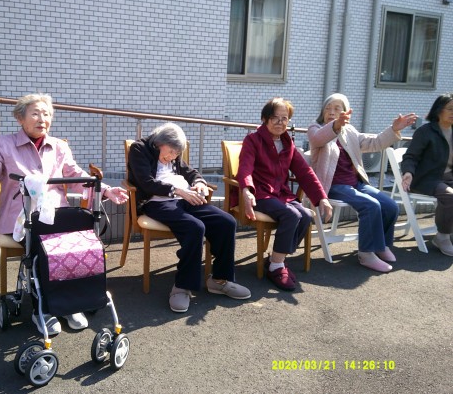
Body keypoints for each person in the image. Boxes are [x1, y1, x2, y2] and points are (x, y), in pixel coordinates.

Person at [0, 94, 128, 334]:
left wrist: (107, 190)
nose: (42, 119)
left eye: (47, 114)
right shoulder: (4, 144)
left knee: (80, 242)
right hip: (22, 217)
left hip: (57, 214)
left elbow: (75, 174)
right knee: (46, 247)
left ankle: (70, 303)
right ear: (20, 118)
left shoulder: (59, 146)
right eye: (36, 113)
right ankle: (44, 310)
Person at [128, 122, 251, 313]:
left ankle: (219, 280)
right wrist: (178, 191)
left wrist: (199, 182)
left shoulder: (174, 155)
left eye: (177, 154)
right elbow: (146, 183)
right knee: (195, 227)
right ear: (159, 142)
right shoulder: (139, 149)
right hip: (156, 202)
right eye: (170, 152)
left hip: (184, 197)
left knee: (226, 222)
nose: (172, 157)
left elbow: (190, 171)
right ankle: (182, 286)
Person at [307, 93, 417, 272]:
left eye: (337, 108)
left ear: (345, 112)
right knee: (371, 206)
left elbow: (374, 143)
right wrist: (335, 126)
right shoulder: (316, 128)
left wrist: (394, 129)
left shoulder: (350, 131)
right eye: (328, 108)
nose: (331, 112)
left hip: (355, 183)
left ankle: (381, 246)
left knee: (390, 206)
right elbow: (317, 139)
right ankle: (366, 254)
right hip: (331, 185)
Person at [236, 97, 332, 291]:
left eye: (284, 118)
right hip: (261, 194)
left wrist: (322, 198)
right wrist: (246, 190)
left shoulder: (288, 143)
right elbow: (245, 168)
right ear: (265, 119)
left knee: (305, 215)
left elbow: (305, 172)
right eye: (275, 118)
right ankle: (277, 266)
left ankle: (276, 260)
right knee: (292, 215)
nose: (280, 123)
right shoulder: (253, 140)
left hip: (281, 194)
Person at [401, 93, 453, 256]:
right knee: (450, 196)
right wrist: (408, 172)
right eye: (450, 109)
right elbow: (411, 156)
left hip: (449, 178)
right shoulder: (425, 131)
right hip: (428, 179)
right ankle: (443, 237)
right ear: (439, 110)